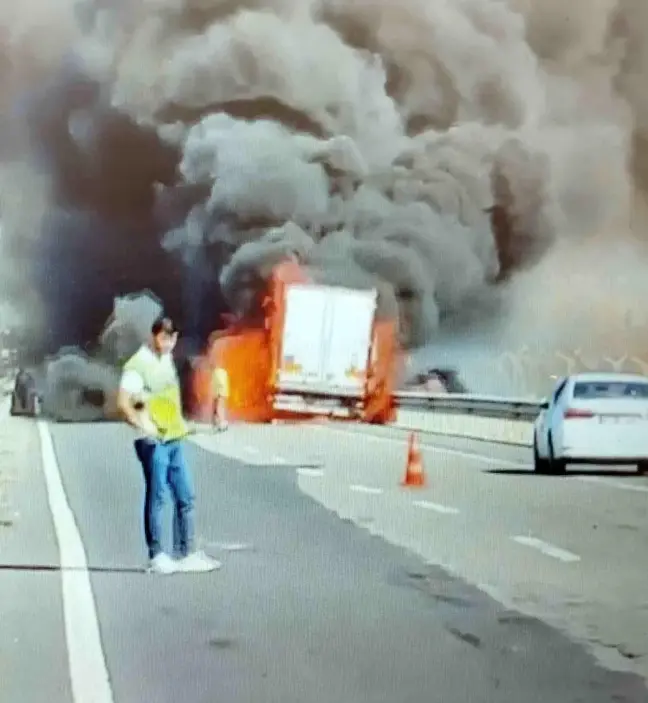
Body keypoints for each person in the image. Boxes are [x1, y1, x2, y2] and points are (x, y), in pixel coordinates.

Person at [117, 315, 220, 575]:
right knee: (158, 497)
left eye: (172, 338)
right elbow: (124, 402)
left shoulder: (166, 359)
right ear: (155, 336)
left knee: (185, 496)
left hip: (174, 438)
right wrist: (144, 427)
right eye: (164, 337)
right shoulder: (138, 364)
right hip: (154, 442)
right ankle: (156, 555)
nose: (168, 343)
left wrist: (183, 424)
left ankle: (186, 553)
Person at [212, 366, 229, 431]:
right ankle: (220, 422)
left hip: (218, 391)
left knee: (217, 404)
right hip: (220, 390)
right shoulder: (221, 371)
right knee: (219, 405)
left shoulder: (216, 372)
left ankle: (216, 422)